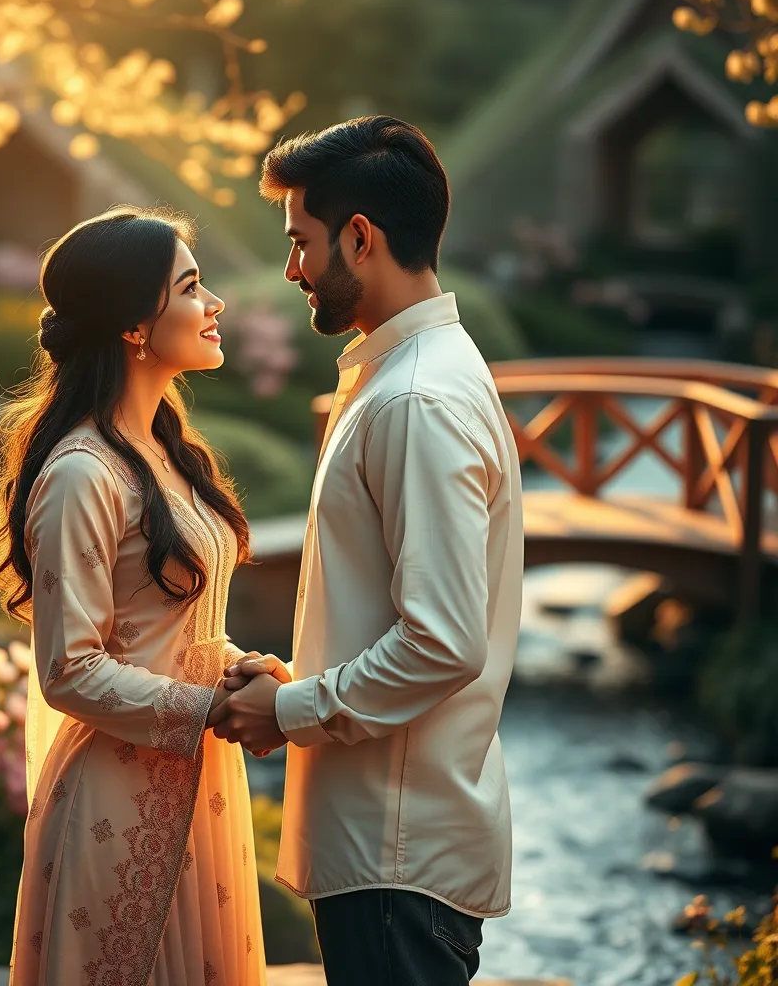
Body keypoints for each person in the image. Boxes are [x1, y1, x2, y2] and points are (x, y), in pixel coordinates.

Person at [211, 115, 524, 985]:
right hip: (394, 843)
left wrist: (289, 711)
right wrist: (292, 683)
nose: (291, 270)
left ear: (360, 236)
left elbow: (443, 641)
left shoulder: (416, 400)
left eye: (301, 242)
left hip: (398, 850)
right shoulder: (414, 375)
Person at [0, 206, 275, 986]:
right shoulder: (81, 474)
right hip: (118, 799)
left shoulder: (164, 450)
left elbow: (169, 626)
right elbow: (69, 670)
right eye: (191, 287)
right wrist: (210, 709)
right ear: (135, 326)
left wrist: (240, 669)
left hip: (198, 780)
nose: (214, 305)